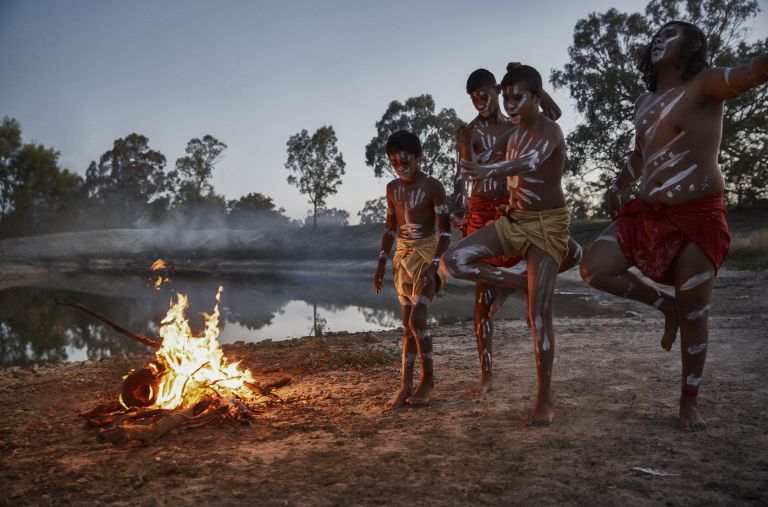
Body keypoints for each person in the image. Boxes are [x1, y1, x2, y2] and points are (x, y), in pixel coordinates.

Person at [580, 21, 768, 431]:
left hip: (698, 214)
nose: (660, 38)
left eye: (672, 33)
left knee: (695, 309)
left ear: (693, 46)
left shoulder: (706, 84)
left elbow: (754, 71)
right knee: (593, 267)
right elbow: (640, 154)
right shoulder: (643, 102)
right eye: (657, 33)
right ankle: (662, 306)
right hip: (649, 212)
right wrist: (617, 184)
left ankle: (689, 401)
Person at [442, 65, 575, 426]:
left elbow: (550, 122)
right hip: (497, 215)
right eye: (474, 100)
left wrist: (524, 78)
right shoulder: (471, 132)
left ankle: (544, 399)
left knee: (540, 307)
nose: (481, 103)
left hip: (536, 216)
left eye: (486, 95)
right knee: (478, 295)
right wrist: (459, 205)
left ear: (495, 90)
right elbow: (467, 172)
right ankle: (487, 372)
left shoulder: (527, 125)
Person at [374, 130, 451, 410]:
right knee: (407, 327)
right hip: (402, 259)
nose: (400, 166)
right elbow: (390, 227)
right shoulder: (392, 188)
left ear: (418, 157)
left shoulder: (433, 186)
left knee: (417, 321)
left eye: (405, 160)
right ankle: (405, 384)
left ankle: (428, 381)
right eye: (395, 163)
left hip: (429, 255)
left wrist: (433, 266)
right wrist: (382, 261)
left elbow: (445, 234)